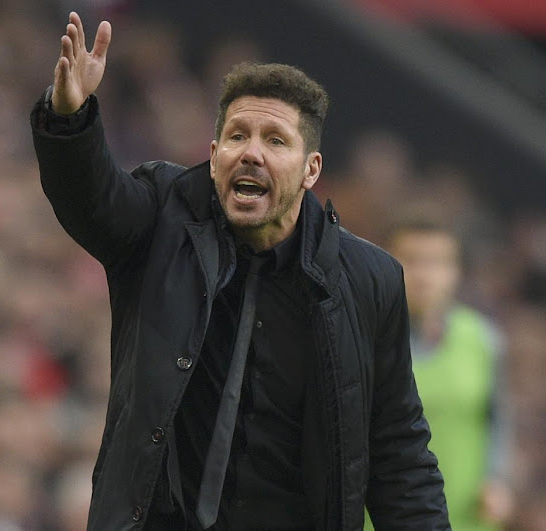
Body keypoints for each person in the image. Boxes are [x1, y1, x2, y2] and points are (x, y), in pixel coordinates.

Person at [30, 12, 449, 530]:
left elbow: (398, 451)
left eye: (275, 140)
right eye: (237, 136)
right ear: (213, 156)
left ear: (310, 170)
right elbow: (94, 202)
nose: (251, 153)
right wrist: (69, 119)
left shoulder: (369, 281)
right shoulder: (164, 215)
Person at [384, 214, 515, 530]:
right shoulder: (364, 340)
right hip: (386, 517)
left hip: (467, 518)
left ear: (455, 271)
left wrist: (497, 479)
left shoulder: (482, 338)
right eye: (411, 260)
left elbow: (497, 417)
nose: (424, 274)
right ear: (383, 264)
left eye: (437, 262)